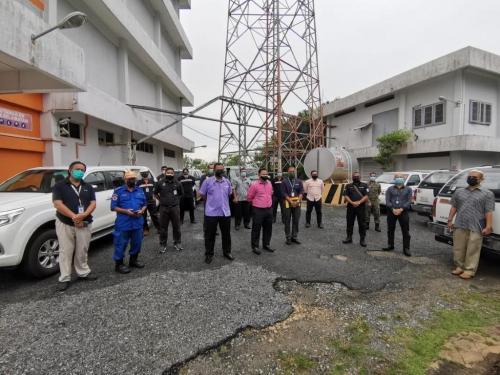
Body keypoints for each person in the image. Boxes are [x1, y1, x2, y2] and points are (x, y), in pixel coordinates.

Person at [52, 161, 97, 291]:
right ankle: (65, 277)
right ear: (70, 170)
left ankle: (83, 273)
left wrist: (83, 215)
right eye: (77, 169)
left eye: (82, 170)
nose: (80, 171)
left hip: (84, 223)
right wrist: (74, 216)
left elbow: (93, 203)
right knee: (66, 251)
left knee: (82, 249)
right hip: (65, 222)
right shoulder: (59, 186)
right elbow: (57, 204)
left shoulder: (88, 186)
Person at [447, 170, 495, 279]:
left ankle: (469, 270)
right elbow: (454, 207)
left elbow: (489, 211)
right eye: (469, 176)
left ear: (481, 179)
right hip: (460, 224)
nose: (471, 178)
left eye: (474, 177)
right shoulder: (459, 192)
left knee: (473, 249)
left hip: (476, 225)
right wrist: (449, 220)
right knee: (458, 247)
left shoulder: (487, 194)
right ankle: (459, 266)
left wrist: (488, 226)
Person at [110, 170, 147, 274]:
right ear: (125, 180)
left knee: (137, 243)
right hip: (123, 223)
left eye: (134, 179)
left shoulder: (139, 190)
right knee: (120, 243)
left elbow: (144, 203)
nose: (132, 181)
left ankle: (133, 260)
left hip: (137, 222)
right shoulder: (118, 191)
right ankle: (119, 264)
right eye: (130, 179)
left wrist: (142, 210)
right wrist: (126, 211)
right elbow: (113, 207)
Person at [199, 162, 235, 264]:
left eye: (222, 169)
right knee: (209, 235)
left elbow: (229, 194)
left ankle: (227, 252)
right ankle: (209, 254)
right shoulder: (208, 182)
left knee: (226, 235)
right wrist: (211, 203)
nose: (220, 171)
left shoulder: (227, 182)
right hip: (211, 213)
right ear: (214, 170)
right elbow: (202, 194)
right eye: (218, 169)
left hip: (225, 213)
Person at [154, 167, 184, 253]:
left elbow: (181, 194)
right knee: (163, 228)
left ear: (173, 174)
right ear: (165, 173)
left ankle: (177, 243)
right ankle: (163, 245)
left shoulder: (177, 183)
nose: (170, 174)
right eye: (168, 172)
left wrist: (176, 201)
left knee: (177, 227)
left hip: (175, 208)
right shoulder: (160, 183)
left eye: (171, 172)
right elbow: (155, 193)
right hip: (163, 208)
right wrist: (161, 200)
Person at [382, 173, 412, 256]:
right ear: (394, 179)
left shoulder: (408, 189)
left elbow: (409, 201)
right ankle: (390, 245)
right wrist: (393, 209)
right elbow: (387, 201)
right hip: (391, 212)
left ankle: (406, 248)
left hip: (403, 212)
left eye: (401, 177)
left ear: (404, 179)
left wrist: (401, 209)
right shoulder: (390, 189)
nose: (399, 178)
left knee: (405, 230)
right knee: (390, 229)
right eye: (397, 177)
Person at [247, 168, 274, 254]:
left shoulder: (269, 183)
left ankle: (266, 244)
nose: (265, 175)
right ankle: (255, 246)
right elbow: (249, 197)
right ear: (259, 175)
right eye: (263, 174)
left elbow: (270, 194)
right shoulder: (254, 185)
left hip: (269, 209)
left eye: (266, 174)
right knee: (256, 229)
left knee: (268, 228)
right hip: (258, 210)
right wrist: (257, 203)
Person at [343, 172, 369, 247]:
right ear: (352, 177)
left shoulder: (364, 185)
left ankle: (362, 239)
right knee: (349, 223)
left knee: (362, 224)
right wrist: (352, 202)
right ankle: (349, 238)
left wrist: (359, 202)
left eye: (357, 176)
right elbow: (345, 195)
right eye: (354, 176)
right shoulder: (348, 186)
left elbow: (366, 196)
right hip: (351, 207)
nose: (356, 177)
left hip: (361, 207)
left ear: (360, 177)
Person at [281, 166, 304, 245]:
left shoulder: (299, 181)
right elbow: (284, 193)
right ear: (287, 172)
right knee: (287, 221)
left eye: (293, 171)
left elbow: (301, 192)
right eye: (290, 171)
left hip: (297, 204)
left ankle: (294, 236)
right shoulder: (284, 181)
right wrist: (290, 201)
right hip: (287, 204)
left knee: (296, 220)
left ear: (295, 172)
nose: (292, 173)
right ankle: (288, 237)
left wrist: (298, 201)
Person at [137, 167, 160, 236]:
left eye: (146, 173)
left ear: (148, 173)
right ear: (141, 174)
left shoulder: (152, 181)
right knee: (143, 217)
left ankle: (159, 228)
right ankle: (145, 229)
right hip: (142, 202)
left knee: (154, 215)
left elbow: (156, 189)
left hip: (151, 201)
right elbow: (137, 191)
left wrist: (155, 196)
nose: (145, 174)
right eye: (143, 173)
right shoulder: (138, 182)